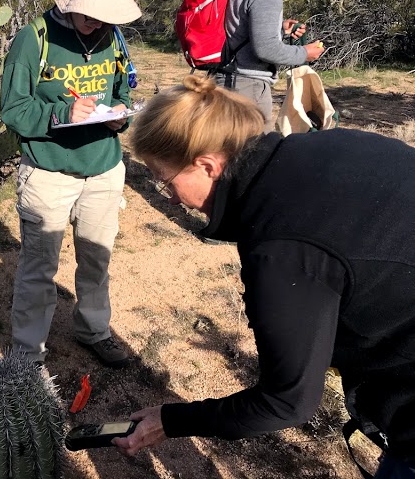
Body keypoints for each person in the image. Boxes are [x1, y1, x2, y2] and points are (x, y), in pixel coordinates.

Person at [113, 74, 415, 478]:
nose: (165, 195)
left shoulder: (280, 249)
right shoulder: (327, 145)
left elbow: (288, 401)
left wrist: (170, 421)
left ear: (206, 165)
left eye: (163, 179)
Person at [0, 0, 141, 369]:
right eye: (89, 12)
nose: (95, 21)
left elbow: (123, 93)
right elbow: (12, 108)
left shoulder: (114, 37)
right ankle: (27, 353)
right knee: (39, 267)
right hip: (48, 173)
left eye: (103, 12)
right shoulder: (34, 38)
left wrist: (120, 119)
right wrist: (60, 114)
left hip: (104, 169)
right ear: (70, 0)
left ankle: (93, 329)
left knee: (97, 258)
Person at [216, 0, 327, 131]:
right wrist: (304, 53)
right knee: (253, 156)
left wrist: (279, 29)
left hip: (223, 78)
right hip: (246, 88)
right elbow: (266, 49)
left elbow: (237, 23)